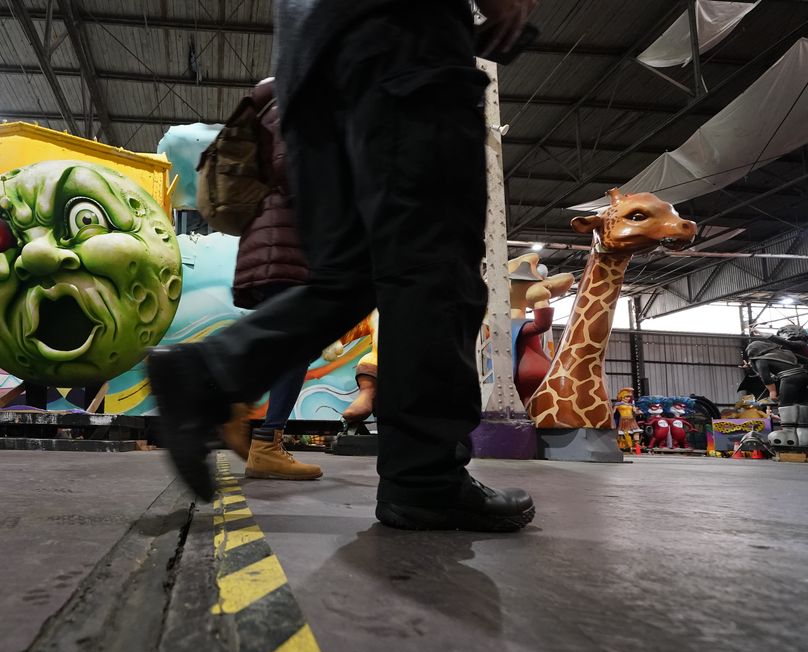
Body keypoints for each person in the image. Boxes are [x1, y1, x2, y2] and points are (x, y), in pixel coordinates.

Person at [147, 0, 538, 533]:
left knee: (348, 275)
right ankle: (424, 480)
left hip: (308, 71)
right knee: (435, 271)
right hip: (403, 44)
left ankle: (207, 373)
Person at [228, 78, 323, 481]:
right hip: (288, 241)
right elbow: (293, 169)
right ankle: (262, 436)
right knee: (295, 344)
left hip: (267, 241)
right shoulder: (292, 104)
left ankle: (244, 414)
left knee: (285, 342)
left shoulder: (263, 111)